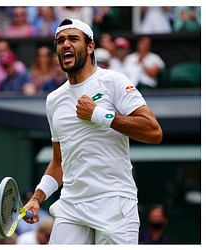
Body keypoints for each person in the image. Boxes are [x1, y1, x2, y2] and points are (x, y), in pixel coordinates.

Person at [24, 18, 162, 244]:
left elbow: (153, 131)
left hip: (115, 203)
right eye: (60, 41)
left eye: (73, 39)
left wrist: (100, 115)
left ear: (90, 47)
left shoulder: (114, 81)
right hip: (71, 206)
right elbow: (59, 162)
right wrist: (37, 198)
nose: (65, 44)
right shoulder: (54, 100)